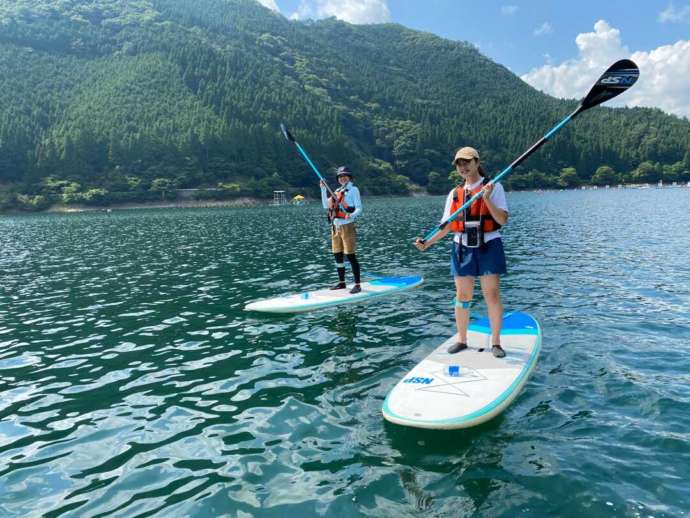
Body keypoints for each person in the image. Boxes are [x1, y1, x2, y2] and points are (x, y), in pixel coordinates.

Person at [415, 147, 509, 358]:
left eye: (467, 162)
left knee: (491, 295)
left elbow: (502, 220)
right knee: (462, 296)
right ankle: (462, 340)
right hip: (462, 247)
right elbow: (446, 226)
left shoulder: (494, 187)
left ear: (477, 162)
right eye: (459, 163)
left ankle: (495, 342)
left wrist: (486, 199)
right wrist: (427, 243)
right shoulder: (455, 194)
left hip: (489, 244)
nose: (463, 167)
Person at [320, 166, 363, 294]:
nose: (342, 178)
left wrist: (352, 215)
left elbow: (359, 208)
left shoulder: (353, 190)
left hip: (347, 226)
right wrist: (323, 189)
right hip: (335, 227)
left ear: (349, 177)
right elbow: (325, 205)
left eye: (345, 176)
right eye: (340, 176)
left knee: (350, 255)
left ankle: (357, 284)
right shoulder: (337, 191)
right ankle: (342, 282)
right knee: (337, 254)